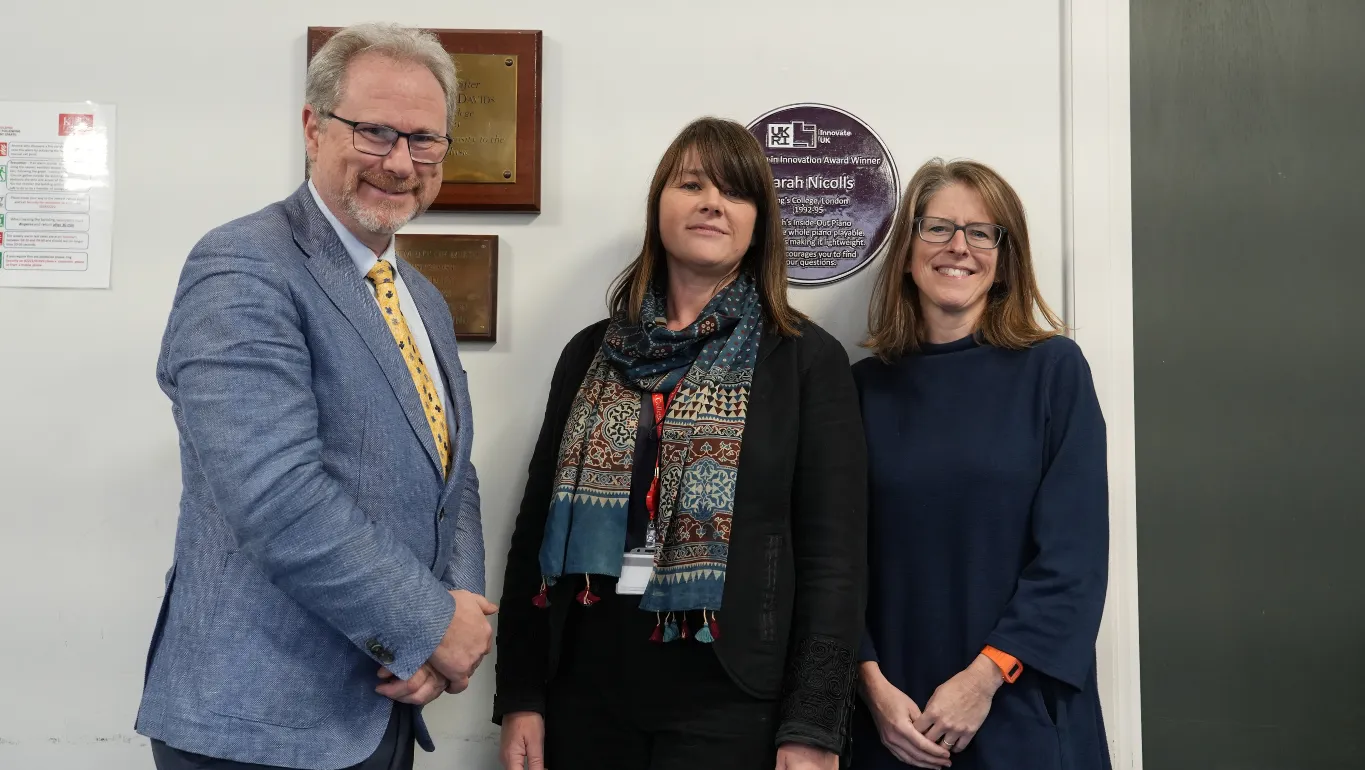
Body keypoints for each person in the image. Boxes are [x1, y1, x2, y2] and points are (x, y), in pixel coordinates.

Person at [134, 23, 496, 770]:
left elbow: (450, 478)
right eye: (375, 132)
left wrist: (459, 622)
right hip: (256, 722)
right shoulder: (242, 265)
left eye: (424, 140)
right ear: (312, 128)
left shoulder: (418, 295)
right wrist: (431, 624)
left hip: (383, 707)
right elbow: (276, 494)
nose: (400, 162)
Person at [493, 117, 867, 770]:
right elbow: (533, 534)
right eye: (690, 183)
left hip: (732, 696)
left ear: (759, 222)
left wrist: (812, 726)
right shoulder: (592, 352)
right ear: (658, 205)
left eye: (734, 191)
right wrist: (521, 692)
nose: (710, 203)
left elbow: (834, 562)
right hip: (586, 687)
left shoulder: (805, 362)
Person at [851, 158, 1110, 770]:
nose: (958, 247)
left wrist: (984, 679)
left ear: (1003, 258)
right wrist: (869, 688)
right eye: (937, 228)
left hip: (1018, 704)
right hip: (894, 719)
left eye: (981, 232)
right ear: (908, 251)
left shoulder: (1053, 371)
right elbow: (834, 559)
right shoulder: (858, 389)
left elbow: (1073, 558)